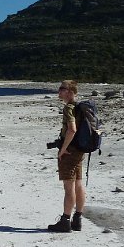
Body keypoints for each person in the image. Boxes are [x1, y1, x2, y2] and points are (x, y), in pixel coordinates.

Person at [48, 80, 86, 233]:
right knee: (78, 184)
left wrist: (62, 150)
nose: (59, 92)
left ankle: (65, 221)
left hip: (70, 151)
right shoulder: (80, 108)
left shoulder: (69, 108)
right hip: (79, 150)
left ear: (70, 92)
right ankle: (77, 219)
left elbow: (72, 130)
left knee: (69, 187)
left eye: (62, 89)